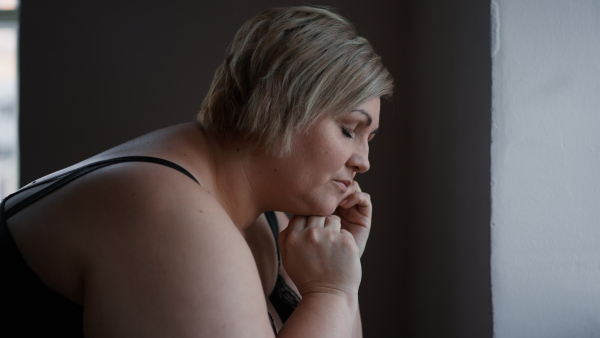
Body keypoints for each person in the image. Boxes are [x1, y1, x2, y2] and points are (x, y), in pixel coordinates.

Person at [1, 5, 393, 337]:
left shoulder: (269, 218)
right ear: (275, 101)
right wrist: (331, 292)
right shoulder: (173, 215)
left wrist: (341, 274)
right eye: (348, 129)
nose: (364, 161)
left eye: (369, 138)